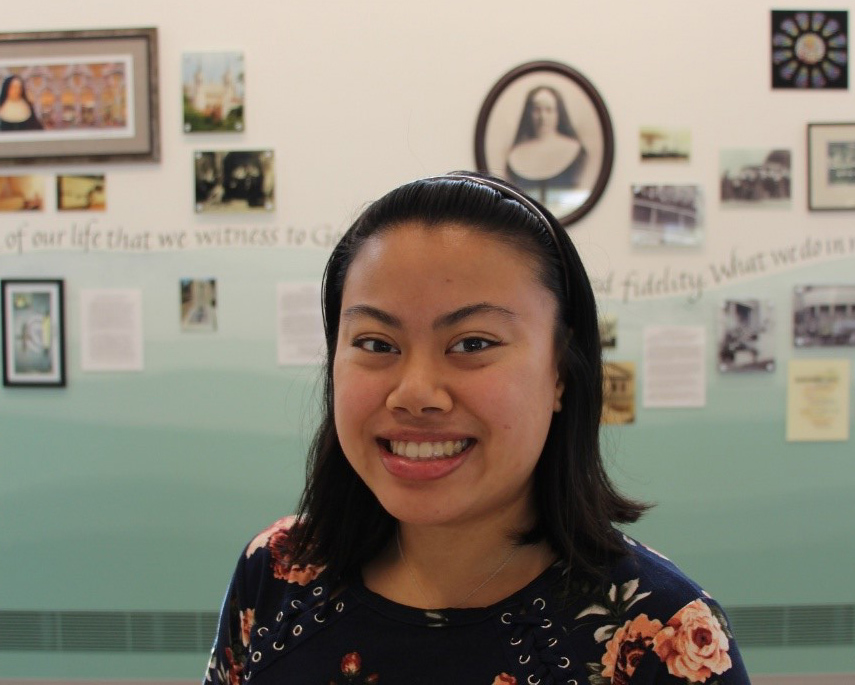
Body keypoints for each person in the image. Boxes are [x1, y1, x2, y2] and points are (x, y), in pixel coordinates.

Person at [204, 172, 750, 684]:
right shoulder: (278, 570)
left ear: (560, 371)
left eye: (472, 344)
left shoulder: (665, 637)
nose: (415, 393)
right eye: (376, 344)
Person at [506, 86, 585, 198]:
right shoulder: (514, 155)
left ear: (558, 113)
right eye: (537, 109)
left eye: (549, 109)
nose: (543, 117)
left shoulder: (577, 152)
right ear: (528, 113)